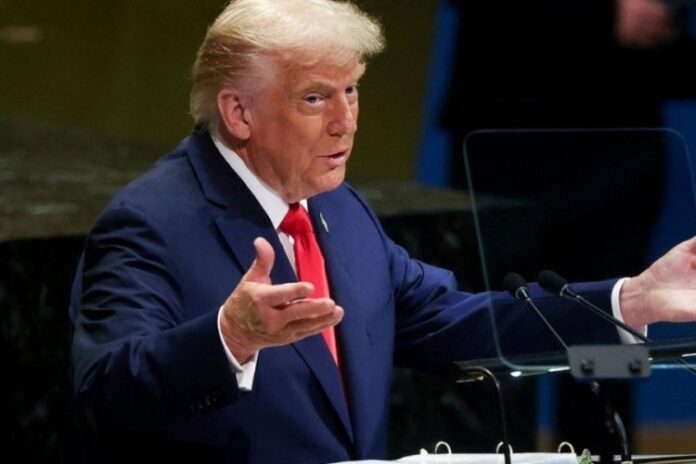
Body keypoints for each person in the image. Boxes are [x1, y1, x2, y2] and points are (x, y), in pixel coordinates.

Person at [69, 1, 696, 463]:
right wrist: (229, 337)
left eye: (351, 91)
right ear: (239, 112)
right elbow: (105, 397)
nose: (345, 121)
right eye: (315, 99)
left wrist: (628, 301)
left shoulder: (340, 210)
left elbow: (452, 322)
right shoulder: (151, 223)